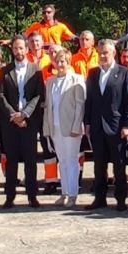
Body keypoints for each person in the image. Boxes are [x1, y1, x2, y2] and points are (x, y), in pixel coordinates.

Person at [84, 39, 128, 211]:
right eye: (100, 53)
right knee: (99, 164)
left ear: (113, 53)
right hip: (97, 126)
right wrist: (87, 122)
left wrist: (127, 125)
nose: (102, 56)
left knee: (119, 165)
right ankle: (100, 198)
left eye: (106, 52)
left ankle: (120, 199)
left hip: (116, 126)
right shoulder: (93, 73)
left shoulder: (123, 72)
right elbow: (89, 100)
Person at [0, 35, 46, 207]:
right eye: (15, 48)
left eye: (20, 48)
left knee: (30, 160)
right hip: (10, 122)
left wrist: (24, 114)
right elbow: (0, 95)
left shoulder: (36, 70)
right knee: (11, 160)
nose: (18, 51)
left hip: (29, 122)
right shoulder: (5, 70)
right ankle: (9, 196)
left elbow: (39, 95)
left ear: (26, 49)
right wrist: (14, 115)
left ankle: (32, 195)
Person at [42, 47, 87, 207]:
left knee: (72, 160)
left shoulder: (77, 79)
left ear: (68, 62)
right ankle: (64, 192)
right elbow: (48, 106)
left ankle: (73, 194)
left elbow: (80, 105)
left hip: (70, 127)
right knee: (62, 161)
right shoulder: (50, 82)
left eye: (63, 61)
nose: (60, 64)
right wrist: (47, 129)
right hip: (55, 126)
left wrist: (76, 126)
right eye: (58, 61)